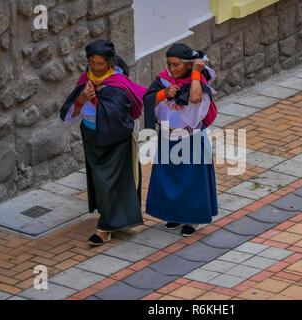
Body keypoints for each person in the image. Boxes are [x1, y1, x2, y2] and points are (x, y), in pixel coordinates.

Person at [59, 39, 147, 245]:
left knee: (109, 183)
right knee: (101, 184)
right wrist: (81, 99)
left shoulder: (118, 84)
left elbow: (120, 117)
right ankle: (116, 219)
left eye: (100, 63)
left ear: (109, 62)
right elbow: (68, 116)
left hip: (115, 142)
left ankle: (104, 228)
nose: (95, 68)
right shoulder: (85, 80)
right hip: (92, 140)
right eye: (92, 63)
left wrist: (96, 100)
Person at [143, 43, 218, 237]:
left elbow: (194, 99)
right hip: (168, 136)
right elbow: (149, 98)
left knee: (191, 182)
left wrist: (195, 73)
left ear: (187, 65)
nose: (172, 69)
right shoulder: (163, 80)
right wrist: (163, 93)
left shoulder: (198, 82)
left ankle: (193, 220)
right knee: (169, 180)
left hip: (190, 138)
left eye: (176, 65)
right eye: (169, 64)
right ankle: (174, 214)